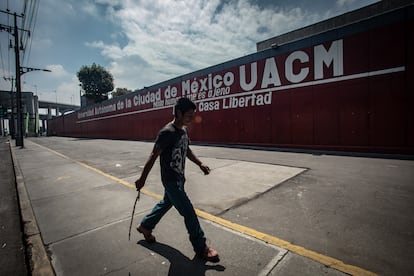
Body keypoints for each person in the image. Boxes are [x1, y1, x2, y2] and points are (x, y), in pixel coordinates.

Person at [135, 97, 220, 263]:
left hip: (179, 178)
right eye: (189, 115)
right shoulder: (167, 132)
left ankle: (146, 226)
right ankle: (201, 247)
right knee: (188, 212)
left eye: (193, 115)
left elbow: (186, 150)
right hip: (171, 180)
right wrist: (142, 178)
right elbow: (153, 155)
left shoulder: (183, 130)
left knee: (166, 203)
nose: (191, 119)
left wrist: (200, 163)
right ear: (179, 113)